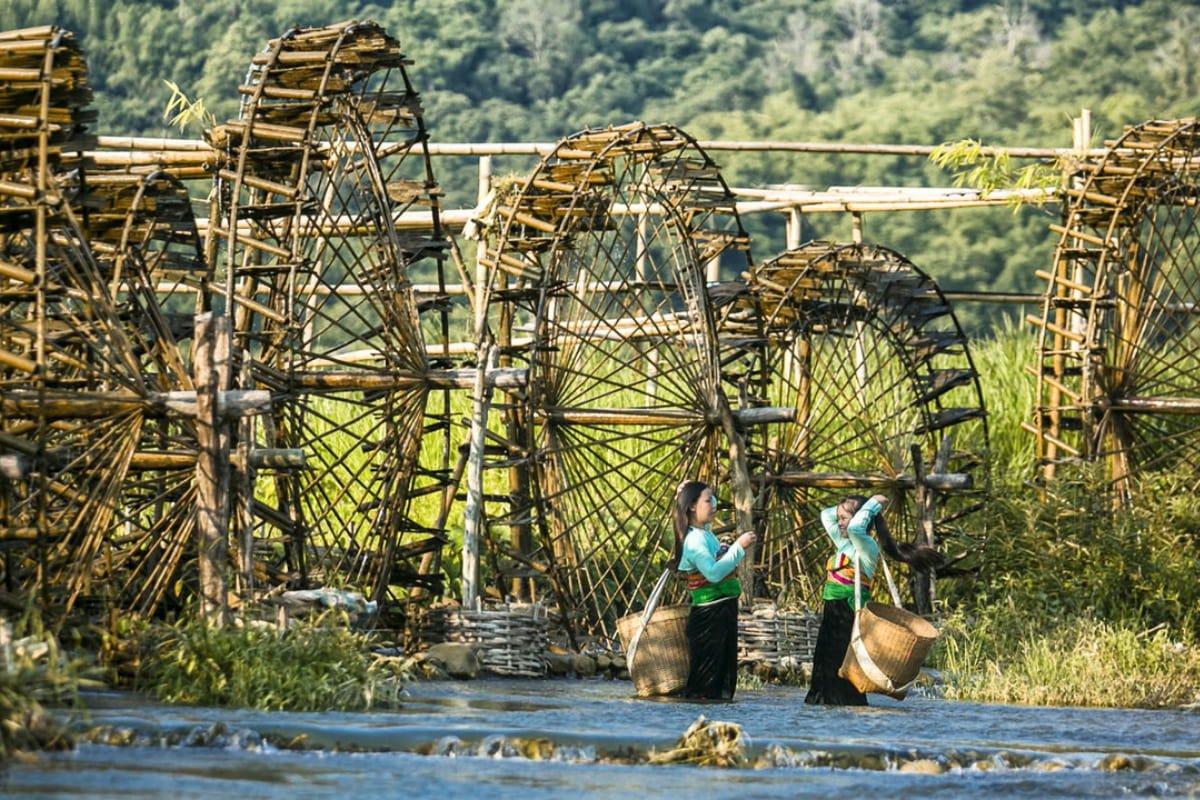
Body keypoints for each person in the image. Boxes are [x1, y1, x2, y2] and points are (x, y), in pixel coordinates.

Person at [804, 494, 941, 706]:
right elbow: (825, 515)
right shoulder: (843, 543)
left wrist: (872, 505)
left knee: (844, 664)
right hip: (832, 612)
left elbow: (856, 528)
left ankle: (844, 704)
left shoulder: (865, 545)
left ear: (860, 519)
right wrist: (850, 508)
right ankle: (820, 702)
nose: (839, 522)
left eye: (844, 518)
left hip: (850, 612)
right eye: (838, 518)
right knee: (823, 661)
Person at [670, 480, 757, 701]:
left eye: (714, 500)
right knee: (707, 681)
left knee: (722, 674)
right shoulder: (694, 541)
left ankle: (717, 720)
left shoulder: (704, 533)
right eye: (708, 500)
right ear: (691, 506)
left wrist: (681, 493)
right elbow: (714, 574)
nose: (714, 505)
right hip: (709, 616)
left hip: (722, 611)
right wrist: (739, 547)